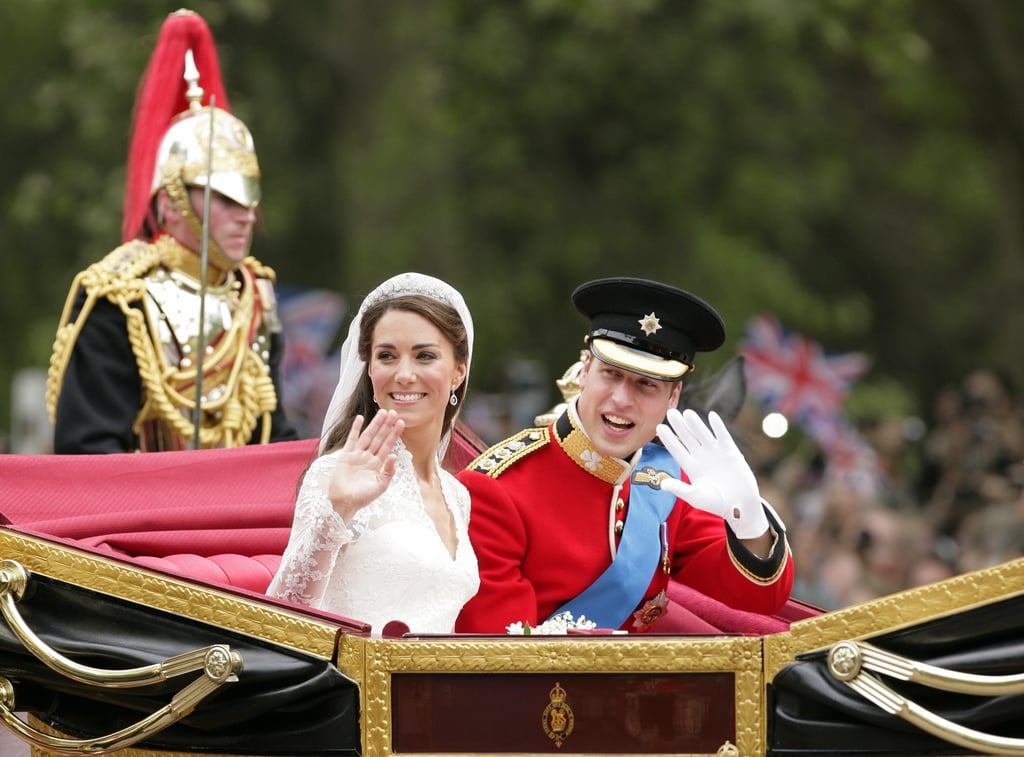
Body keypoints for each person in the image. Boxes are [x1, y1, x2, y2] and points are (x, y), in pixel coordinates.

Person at [455, 276, 793, 634]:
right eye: (611, 374)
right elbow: (499, 661)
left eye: (646, 384)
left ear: (673, 397)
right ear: (585, 370)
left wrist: (748, 520)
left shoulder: (666, 483)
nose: (621, 399)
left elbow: (760, 599)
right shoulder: (496, 488)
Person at [46, 10, 297, 452]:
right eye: (225, 199)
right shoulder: (120, 299)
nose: (247, 216)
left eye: (249, 199)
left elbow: (272, 435)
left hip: (241, 513)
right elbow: (90, 450)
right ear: (170, 203)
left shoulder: (254, 297)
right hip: (142, 513)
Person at [266, 272, 479, 635]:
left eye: (425, 356)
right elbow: (282, 621)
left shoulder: (457, 496)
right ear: (369, 370)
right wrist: (338, 511)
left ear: (458, 371)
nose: (404, 374)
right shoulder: (334, 473)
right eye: (387, 356)